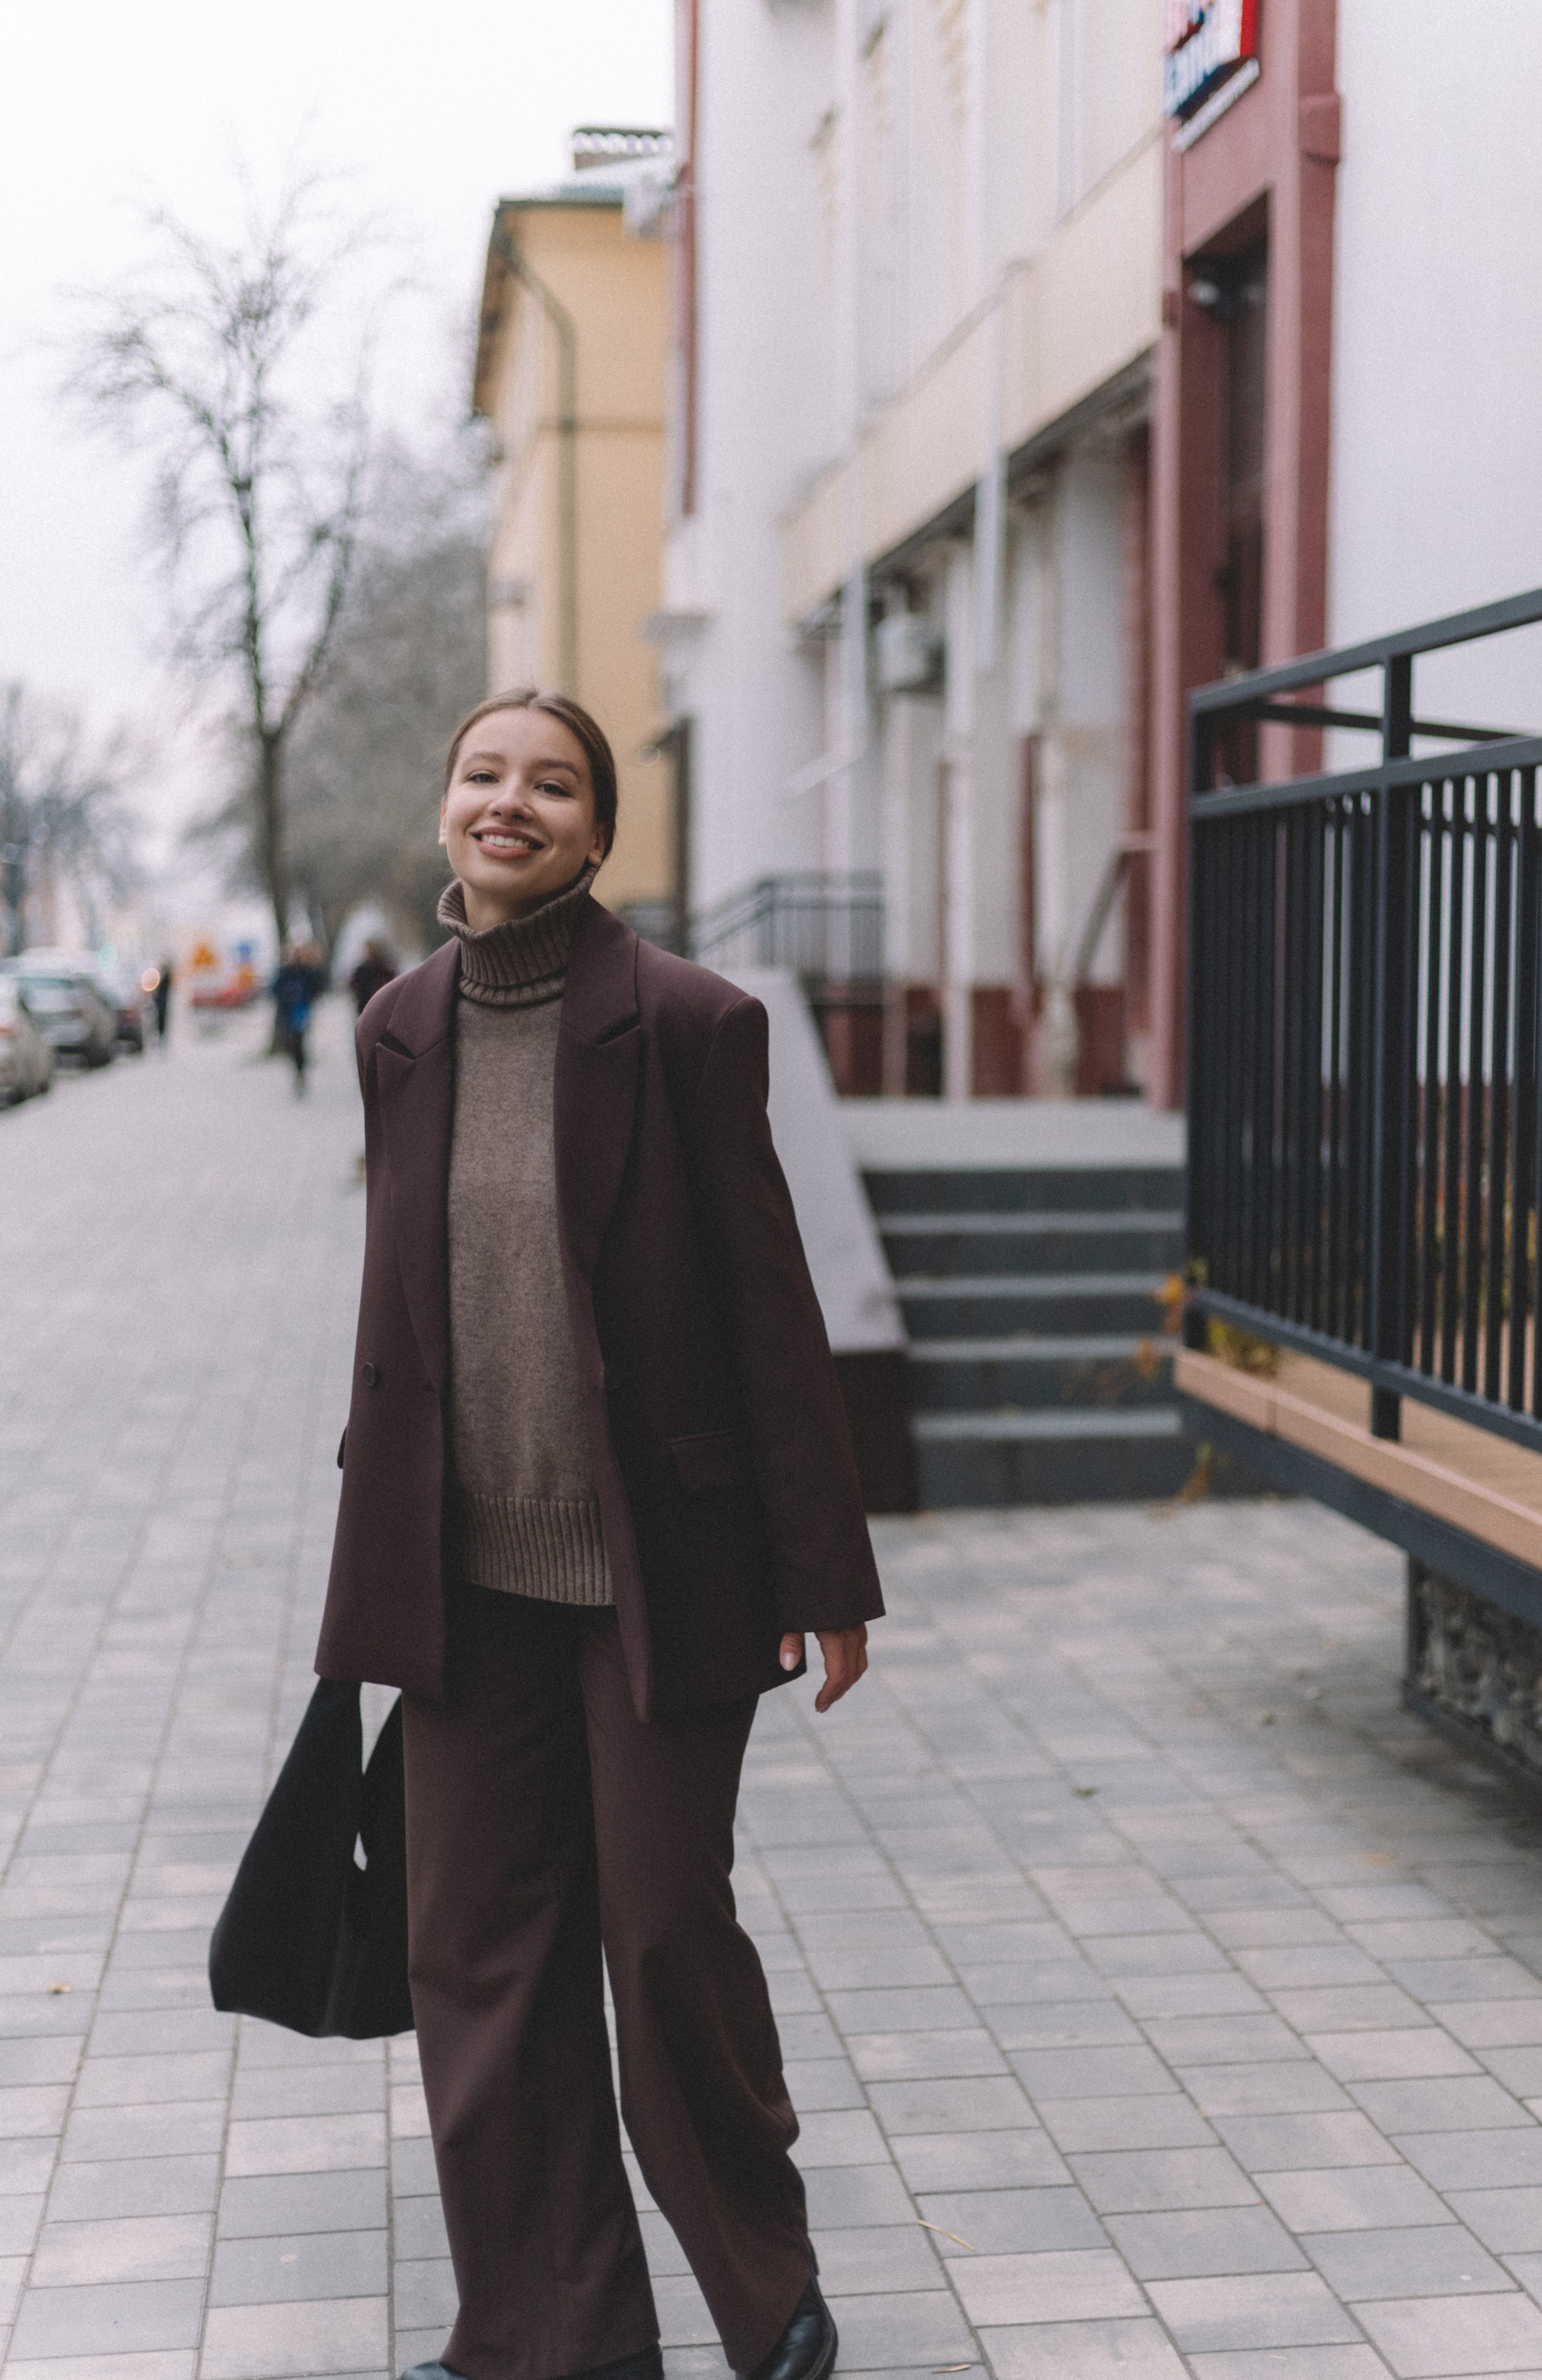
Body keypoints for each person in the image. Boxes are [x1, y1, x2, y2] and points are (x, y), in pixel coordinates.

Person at [315, 690, 881, 2380]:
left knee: (658, 1931)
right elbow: (403, 1307)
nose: (512, 801)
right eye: (484, 774)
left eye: (551, 783)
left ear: (598, 833)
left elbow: (772, 1313)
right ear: (443, 815)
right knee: (477, 1959)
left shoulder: (690, 1023)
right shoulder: (395, 1029)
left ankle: (768, 2294)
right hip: (454, 1572)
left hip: (662, 1575)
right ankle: (547, 2332)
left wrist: (825, 1573)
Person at [271, 941, 328, 1093]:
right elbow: (274, 989)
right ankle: (298, 1069)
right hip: (288, 1011)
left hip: (301, 1009)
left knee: (298, 1041)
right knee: (291, 1043)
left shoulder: (307, 971)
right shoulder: (285, 971)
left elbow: (319, 986)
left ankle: (301, 1071)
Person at [348, 936, 397, 1015]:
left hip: (380, 1003)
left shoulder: (382, 967)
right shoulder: (362, 969)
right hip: (365, 1004)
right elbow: (354, 985)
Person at [152, 959, 174, 1047]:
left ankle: (162, 1037)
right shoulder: (164, 978)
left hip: (163, 1004)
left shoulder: (166, 978)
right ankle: (161, 1037)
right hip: (161, 1003)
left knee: (162, 1021)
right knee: (160, 1021)